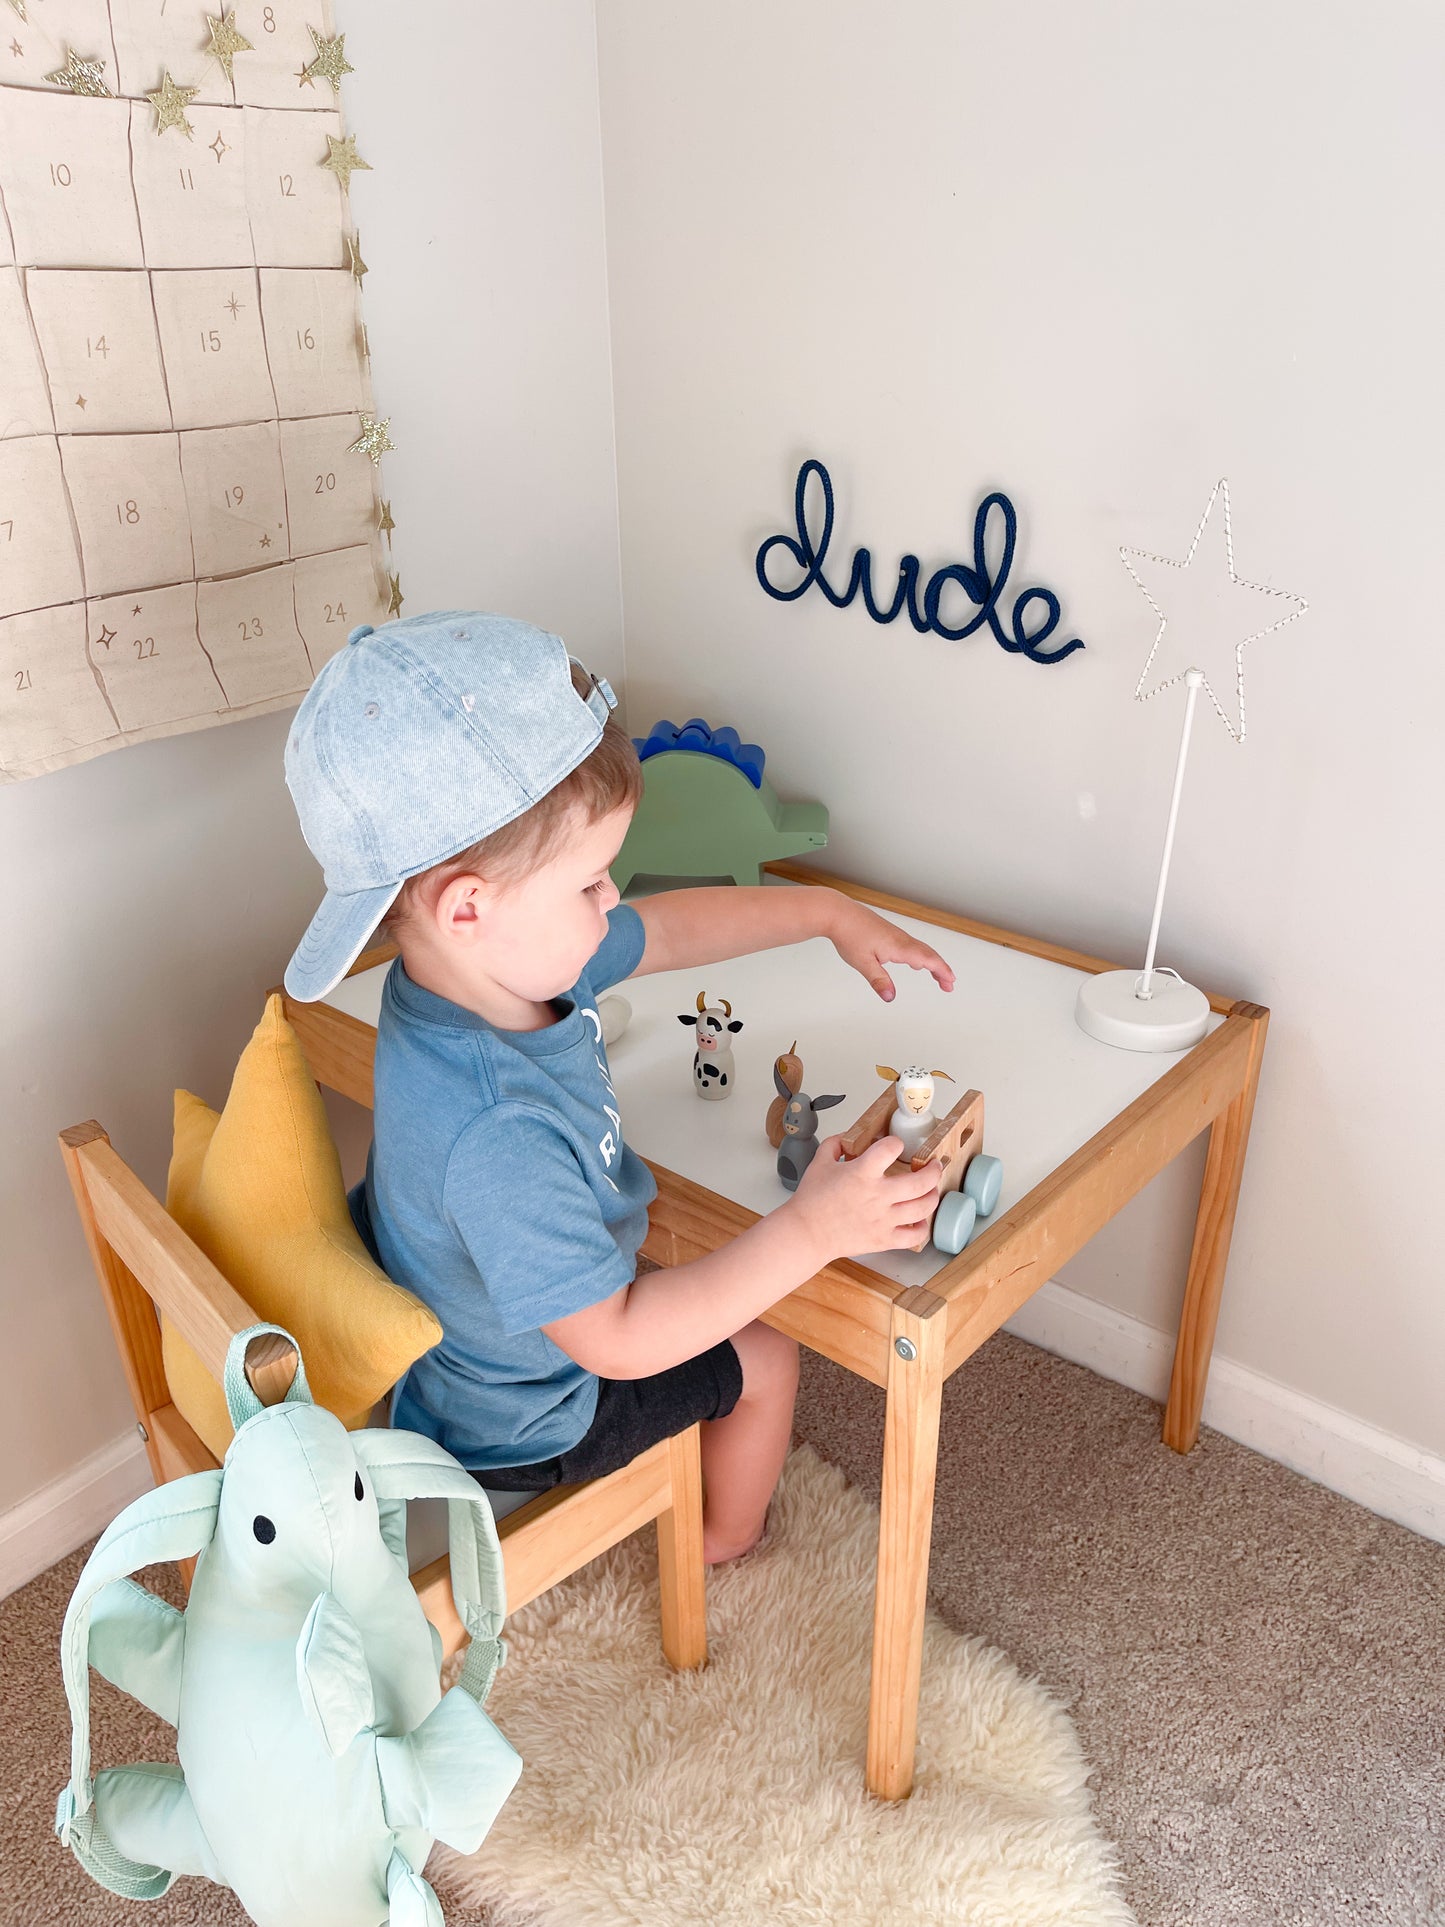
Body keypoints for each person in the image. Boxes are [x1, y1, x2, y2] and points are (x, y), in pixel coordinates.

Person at [283, 612, 952, 1565]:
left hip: (492, 1337)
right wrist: (816, 1229)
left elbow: (671, 930)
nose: (612, 903)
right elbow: (621, 1341)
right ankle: (729, 1539)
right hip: (526, 1422)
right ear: (467, 906)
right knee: (765, 1355)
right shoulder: (495, 1130)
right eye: (592, 880)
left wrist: (824, 911)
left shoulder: (479, 971)